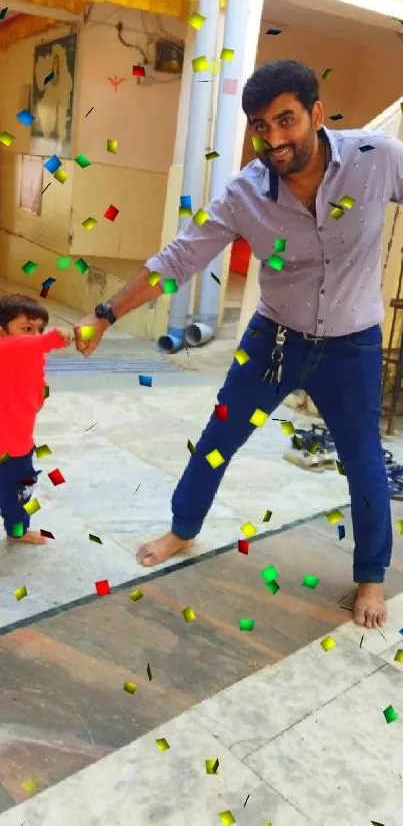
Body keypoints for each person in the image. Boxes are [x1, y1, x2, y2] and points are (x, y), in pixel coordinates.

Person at [74, 59, 403, 630]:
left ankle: (371, 575)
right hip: (272, 339)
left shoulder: (376, 160)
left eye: (287, 120)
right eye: (260, 125)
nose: (273, 138)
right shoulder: (245, 193)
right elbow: (178, 260)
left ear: (316, 114)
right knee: (219, 437)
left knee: (364, 462)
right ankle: (183, 529)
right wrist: (105, 315)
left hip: (352, 346)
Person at [0, 295, 71, 545]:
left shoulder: (33, 356)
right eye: (26, 329)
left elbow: (39, 383)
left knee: (21, 493)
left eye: (39, 330)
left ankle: (17, 532)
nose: (34, 336)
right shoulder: (4, 350)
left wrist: (39, 394)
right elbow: (18, 347)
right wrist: (50, 339)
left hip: (21, 445)